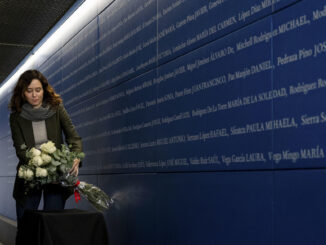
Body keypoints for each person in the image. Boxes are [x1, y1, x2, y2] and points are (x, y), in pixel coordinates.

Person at [8, 69, 83, 243]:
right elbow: (21, 151)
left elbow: (73, 137)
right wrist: (43, 168)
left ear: (44, 89)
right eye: (29, 91)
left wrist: (76, 157)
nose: (34, 95)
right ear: (22, 93)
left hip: (57, 179)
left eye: (38, 90)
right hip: (28, 179)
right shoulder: (16, 118)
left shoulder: (57, 109)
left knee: (53, 227)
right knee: (26, 230)